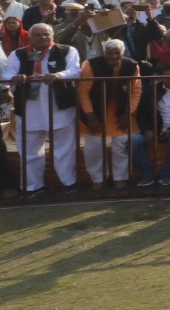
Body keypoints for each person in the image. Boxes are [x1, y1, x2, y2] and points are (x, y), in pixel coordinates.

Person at [11, 22, 80, 192]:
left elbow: (75, 70)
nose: (42, 38)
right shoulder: (18, 54)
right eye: (37, 35)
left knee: (64, 148)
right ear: (30, 37)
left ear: (52, 36)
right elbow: (7, 72)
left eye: (46, 35)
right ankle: (33, 187)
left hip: (59, 105)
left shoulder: (67, 50)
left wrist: (58, 75)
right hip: (29, 106)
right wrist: (15, 78)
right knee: (29, 149)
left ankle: (69, 183)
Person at [76, 38, 141, 186]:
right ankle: (98, 180)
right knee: (93, 148)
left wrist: (129, 113)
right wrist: (90, 115)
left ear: (122, 54)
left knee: (120, 147)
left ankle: (120, 178)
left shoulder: (132, 65)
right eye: (109, 53)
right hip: (95, 112)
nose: (112, 57)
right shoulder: (90, 64)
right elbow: (83, 92)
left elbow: (136, 90)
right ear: (103, 52)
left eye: (116, 53)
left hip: (120, 113)